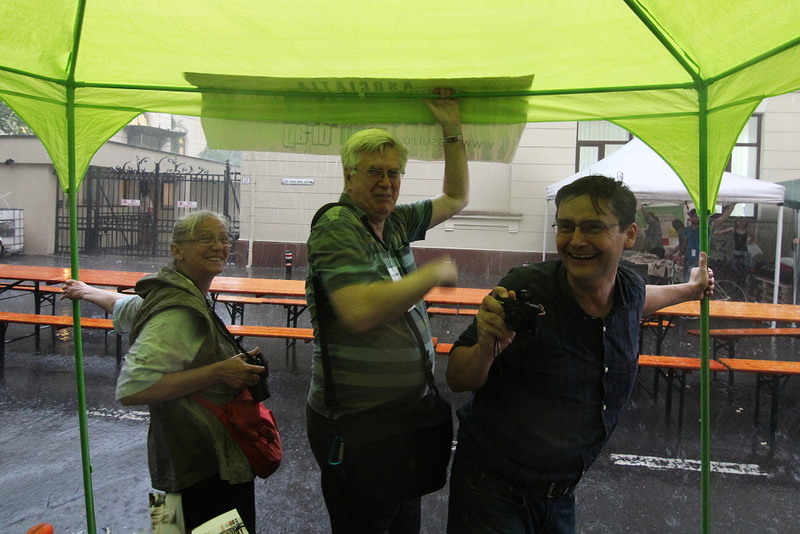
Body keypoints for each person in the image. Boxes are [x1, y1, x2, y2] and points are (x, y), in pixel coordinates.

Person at [445, 175, 714, 534]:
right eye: (566, 226)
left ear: (629, 235)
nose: (576, 240)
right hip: (492, 491)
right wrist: (485, 348)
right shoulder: (525, 289)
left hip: (560, 497)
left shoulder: (629, 290)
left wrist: (692, 289)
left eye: (593, 227)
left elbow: (646, 298)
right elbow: (457, 377)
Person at [305, 88, 469, 534]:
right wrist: (430, 274)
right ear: (348, 175)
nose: (386, 182)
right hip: (358, 426)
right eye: (374, 172)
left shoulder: (393, 222)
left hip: (402, 421)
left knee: (401, 523)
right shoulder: (337, 226)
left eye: (394, 172)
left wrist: (452, 129)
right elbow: (358, 311)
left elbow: (456, 197)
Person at [62, 210, 266, 533]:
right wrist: (220, 372)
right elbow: (132, 387)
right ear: (177, 250)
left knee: (170, 528)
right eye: (205, 238)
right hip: (208, 470)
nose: (218, 246)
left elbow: (126, 307)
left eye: (224, 238)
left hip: (173, 466)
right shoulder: (179, 310)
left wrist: (86, 291)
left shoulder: (170, 290)